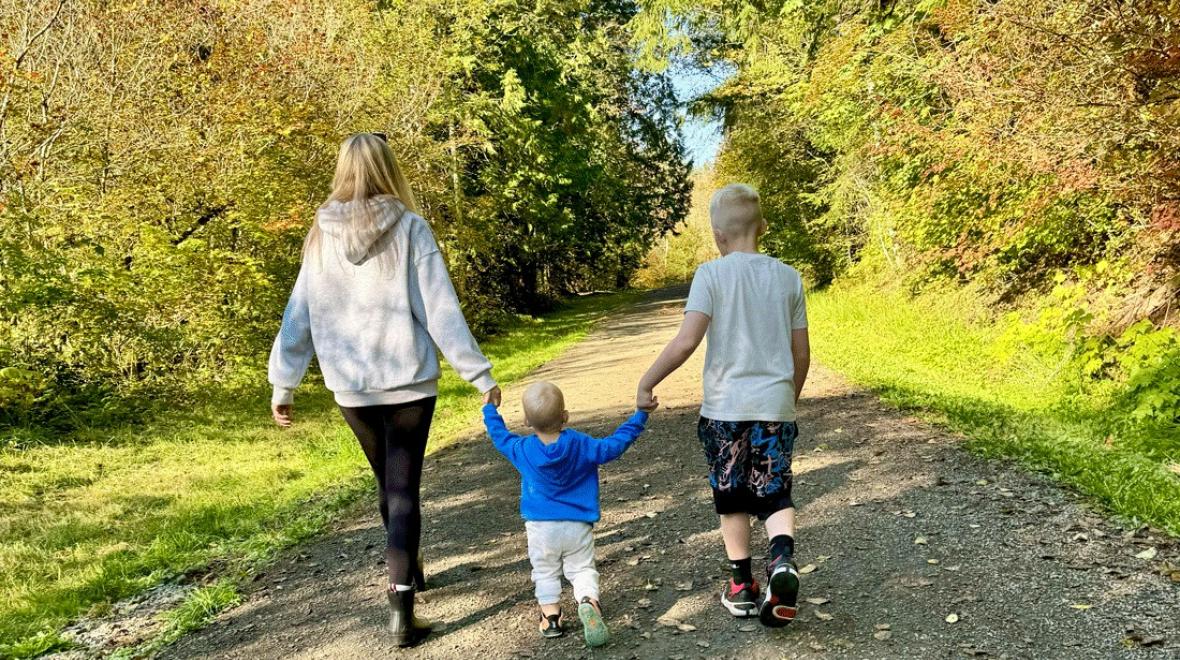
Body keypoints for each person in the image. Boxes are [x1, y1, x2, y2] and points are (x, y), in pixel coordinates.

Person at [267, 133, 501, 647]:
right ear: (389, 169)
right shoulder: (411, 228)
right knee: (402, 490)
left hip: (352, 388)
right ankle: (401, 611)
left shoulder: (320, 235)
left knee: (388, 485)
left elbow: (297, 315)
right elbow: (439, 309)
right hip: (409, 381)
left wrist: (283, 382)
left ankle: (409, 573)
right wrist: (478, 373)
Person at [635, 183, 810, 628]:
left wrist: (648, 380)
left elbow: (687, 340)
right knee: (774, 492)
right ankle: (783, 562)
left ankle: (741, 587)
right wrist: (788, 399)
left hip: (724, 412)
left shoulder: (710, 275)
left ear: (717, 234)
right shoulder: (788, 277)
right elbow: (801, 354)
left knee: (731, 498)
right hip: (775, 406)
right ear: (763, 228)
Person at [483, 381, 653, 646]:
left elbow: (499, 435)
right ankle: (588, 602)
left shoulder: (522, 450)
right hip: (577, 525)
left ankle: (551, 617)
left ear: (527, 421)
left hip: (541, 528)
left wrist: (490, 409)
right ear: (565, 416)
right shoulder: (581, 444)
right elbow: (614, 445)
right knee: (582, 569)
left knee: (545, 571)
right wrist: (640, 416)